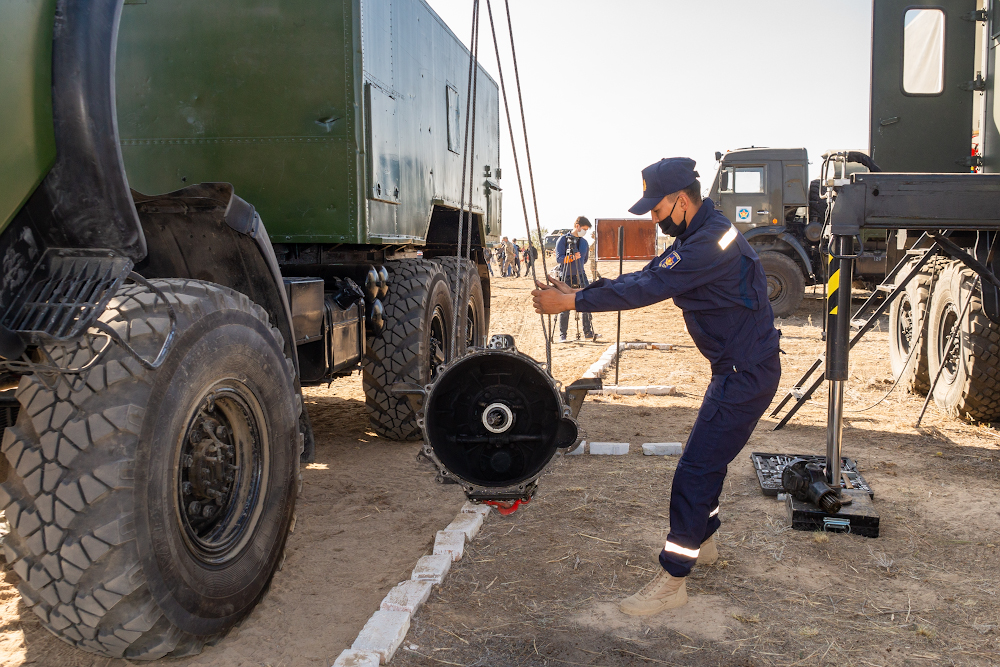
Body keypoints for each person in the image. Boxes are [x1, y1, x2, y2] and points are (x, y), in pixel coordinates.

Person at [532, 158, 781, 615]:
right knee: (707, 459)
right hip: (740, 369)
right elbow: (648, 276)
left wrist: (574, 300)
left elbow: (649, 289)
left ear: (682, 201)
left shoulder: (707, 244)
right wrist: (579, 293)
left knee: (694, 469)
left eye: (658, 207)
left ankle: (673, 579)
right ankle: (702, 540)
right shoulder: (702, 233)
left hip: (744, 373)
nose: (653, 217)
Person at [554, 217, 597, 342]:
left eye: (586, 230)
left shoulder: (584, 243)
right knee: (565, 305)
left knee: (586, 300)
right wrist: (572, 257)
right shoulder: (562, 240)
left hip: (581, 274)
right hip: (566, 275)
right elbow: (559, 259)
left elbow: (584, 260)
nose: (584, 232)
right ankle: (563, 335)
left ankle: (588, 332)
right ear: (577, 226)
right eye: (583, 229)